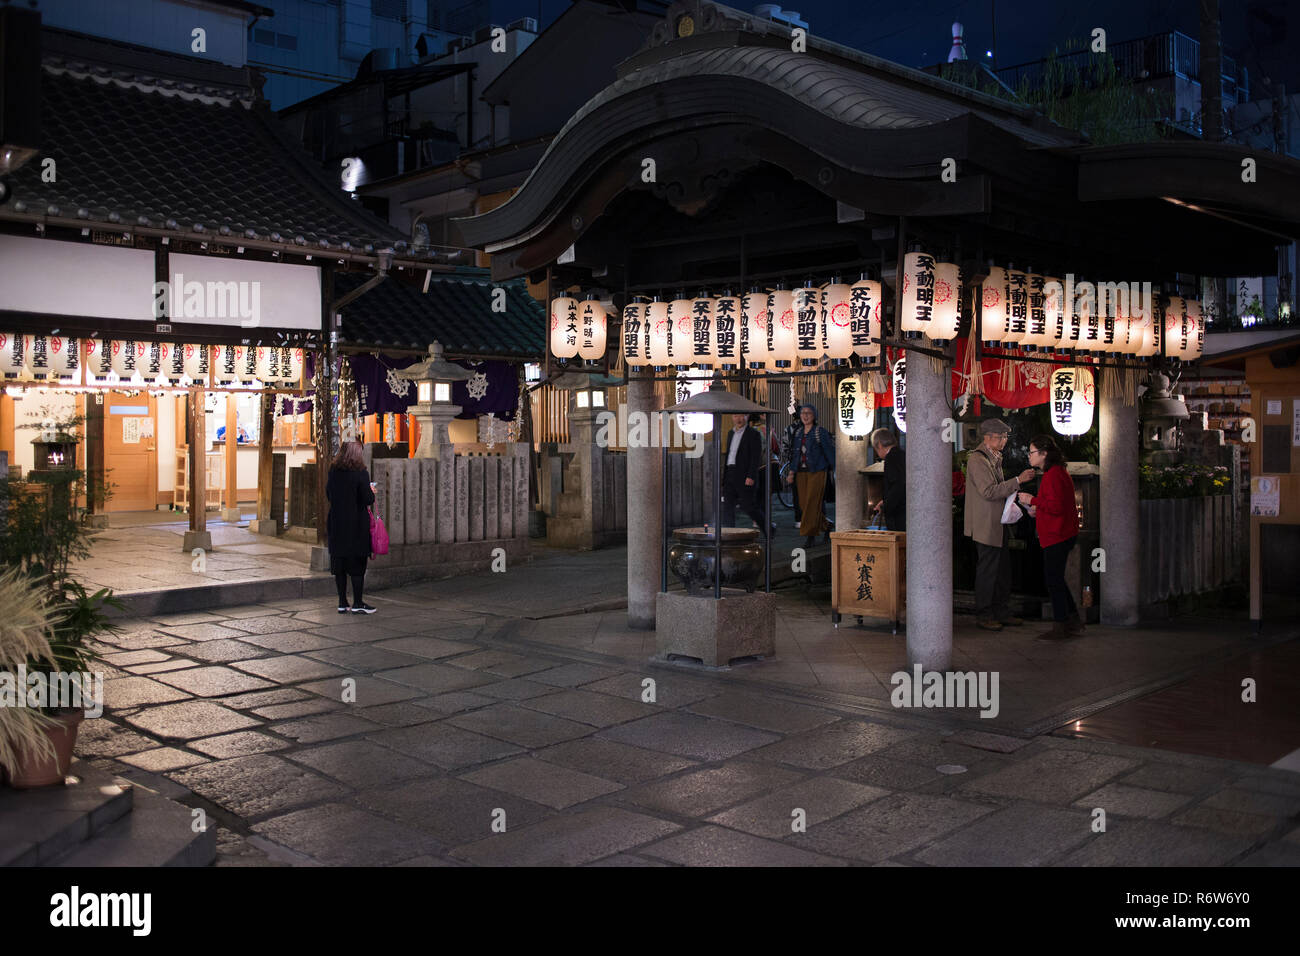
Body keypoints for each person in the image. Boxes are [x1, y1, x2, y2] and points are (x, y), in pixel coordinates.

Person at [963, 418, 1036, 631]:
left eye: (1005, 437)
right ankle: (984, 614)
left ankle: (1001, 610)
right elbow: (988, 491)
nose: (1004, 441)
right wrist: (1018, 480)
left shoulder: (993, 457)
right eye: (1000, 437)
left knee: (1003, 569)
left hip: (998, 522)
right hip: (986, 524)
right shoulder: (978, 460)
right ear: (987, 438)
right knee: (988, 569)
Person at [1018, 434, 1082, 641]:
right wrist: (1037, 507)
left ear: (1044, 454)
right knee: (1057, 579)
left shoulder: (1053, 475)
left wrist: (1032, 499)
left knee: (1053, 580)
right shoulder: (1058, 472)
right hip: (1061, 532)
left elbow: (1055, 506)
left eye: (1032, 452)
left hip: (1057, 534)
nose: (1029, 456)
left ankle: (1061, 624)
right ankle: (1072, 620)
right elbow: (1055, 504)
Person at [326, 440, 377, 614]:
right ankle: (358, 603)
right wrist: (371, 491)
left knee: (339, 564)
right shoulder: (361, 472)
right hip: (356, 524)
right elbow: (368, 499)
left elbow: (328, 494)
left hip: (337, 522)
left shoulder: (333, 471)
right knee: (357, 564)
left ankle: (342, 602)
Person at [785, 403, 835, 548]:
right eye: (803, 413)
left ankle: (810, 535)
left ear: (814, 416)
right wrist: (791, 472)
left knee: (812, 502)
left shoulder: (820, 432)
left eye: (809, 413)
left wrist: (834, 470)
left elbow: (829, 452)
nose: (805, 416)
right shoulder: (798, 433)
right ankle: (827, 526)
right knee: (803, 504)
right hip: (801, 472)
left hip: (817, 471)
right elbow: (795, 455)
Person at [721, 413, 771, 531]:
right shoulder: (730, 433)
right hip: (730, 471)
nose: (738, 419)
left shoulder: (753, 434)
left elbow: (755, 457)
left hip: (744, 473)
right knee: (727, 506)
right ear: (732, 417)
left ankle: (768, 528)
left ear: (747, 416)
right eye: (735, 416)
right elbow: (729, 455)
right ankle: (729, 534)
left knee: (748, 506)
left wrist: (751, 475)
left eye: (741, 416)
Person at [870, 427, 905, 532]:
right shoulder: (902, 454)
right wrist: (885, 501)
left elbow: (897, 485)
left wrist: (887, 505)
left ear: (879, 445)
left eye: (876, 449)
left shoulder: (891, 457)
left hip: (899, 513)